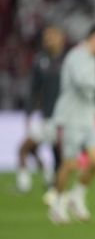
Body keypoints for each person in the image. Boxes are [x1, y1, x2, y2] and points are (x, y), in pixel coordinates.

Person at [48, 25, 95, 224]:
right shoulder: (77, 56)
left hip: (87, 118)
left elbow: (87, 95)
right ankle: (57, 205)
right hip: (71, 118)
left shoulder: (92, 59)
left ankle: (77, 196)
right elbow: (82, 82)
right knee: (70, 164)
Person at [16, 26, 66, 198]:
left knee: (58, 154)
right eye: (46, 37)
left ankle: (55, 187)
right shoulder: (40, 60)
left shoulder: (68, 60)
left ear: (61, 38)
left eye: (52, 36)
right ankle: (26, 183)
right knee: (25, 148)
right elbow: (34, 89)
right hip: (45, 117)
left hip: (63, 118)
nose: (48, 40)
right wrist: (29, 113)